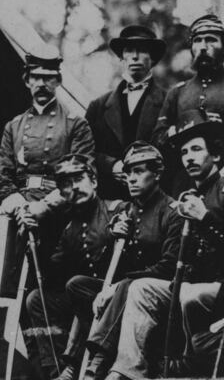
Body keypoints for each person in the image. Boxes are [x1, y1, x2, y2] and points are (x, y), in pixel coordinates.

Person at [108, 119, 224, 380]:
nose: (189, 158)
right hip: (187, 282)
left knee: (187, 296)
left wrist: (205, 217)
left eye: (196, 149)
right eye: (184, 153)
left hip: (222, 285)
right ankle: (128, 371)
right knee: (141, 288)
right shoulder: (188, 197)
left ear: (216, 156)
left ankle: (186, 362)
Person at [0, 54, 94, 298]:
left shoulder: (75, 124)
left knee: (55, 288)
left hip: (59, 215)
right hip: (21, 214)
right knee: (19, 289)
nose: (41, 84)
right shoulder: (14, 126)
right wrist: (20, 208)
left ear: (58, 81)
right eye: (36, 77)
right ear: (27, 81)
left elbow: (82, 177)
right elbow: (1, 177)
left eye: (48, 78)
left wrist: (43, 208)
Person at [80, 142, 183, 380]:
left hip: (158, 293)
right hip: (125, 294)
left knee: (128, 286)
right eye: (127, 173)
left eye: (139, 171)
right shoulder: (127, 211)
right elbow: (106, 267)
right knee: (78, 285)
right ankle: (76, 362)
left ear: (157, 174)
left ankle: (97, 362)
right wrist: (113, 238)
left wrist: (119, 285)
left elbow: (169, 267)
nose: (131, 179)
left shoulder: (172, 211)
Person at [26, 153, 129, 380]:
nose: (74, 187)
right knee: (37, 299)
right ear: (61, 194)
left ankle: (73, 367)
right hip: (84, 301)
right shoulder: (69, 227)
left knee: (77, 285)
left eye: (79, 179)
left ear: (94, 181)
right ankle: (57, 372)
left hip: (117, 297)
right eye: (66, 184)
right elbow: (52, 275)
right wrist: (37, 238)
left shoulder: (118, 210)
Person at [85, 25, 167, 200]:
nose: (135, 56)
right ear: (122, 57)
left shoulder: (169, 103)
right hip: (109, 200)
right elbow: (86, 152)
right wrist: (111, 165)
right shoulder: (98, 107)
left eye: (142, 50)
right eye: (129, 50)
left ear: (152, 58)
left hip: (153, 200)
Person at [155, 15, 224, 141]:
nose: (203, 47)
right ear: (191, 49)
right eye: (197, 40)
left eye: (211, 40)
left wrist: (222, 131)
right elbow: (158, 138)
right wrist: (180, 128)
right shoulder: (176, 93)